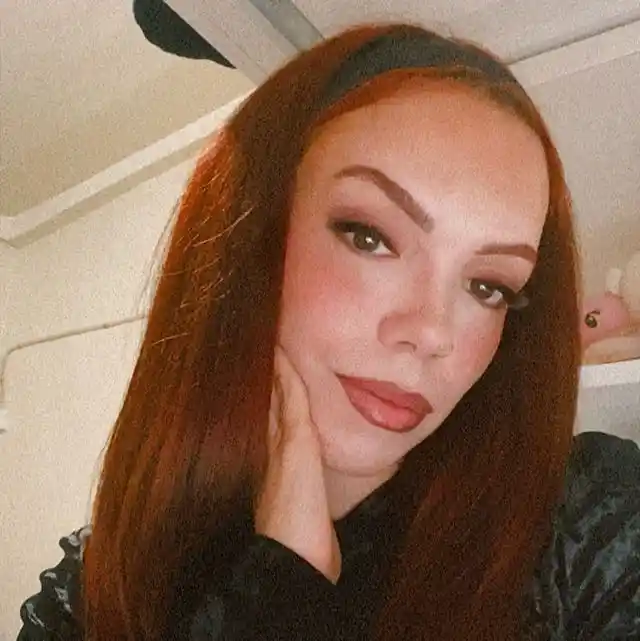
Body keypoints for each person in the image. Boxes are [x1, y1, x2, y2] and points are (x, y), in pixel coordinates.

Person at [17, 22, 640, 641]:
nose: (431, 333)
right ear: (248, 235)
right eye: (370, 237)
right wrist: (282, 584)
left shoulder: (594, 528)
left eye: (488, 286)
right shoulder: (88, 596)